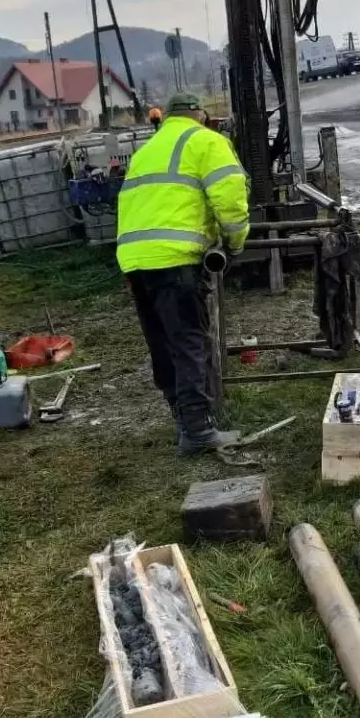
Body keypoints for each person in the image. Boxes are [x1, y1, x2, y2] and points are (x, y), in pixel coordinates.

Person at [117, 90, 250, 454]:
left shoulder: (146, 151)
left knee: (162, 342)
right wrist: (235, 243)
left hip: (134, 259)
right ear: (200, 115)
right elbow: (230, 197)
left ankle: (182, 420)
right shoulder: (207, 141)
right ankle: (197, 431)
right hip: (176, 258)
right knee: (190, 341)